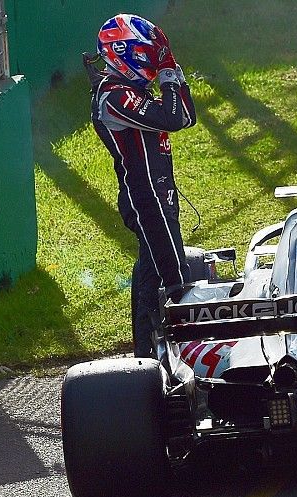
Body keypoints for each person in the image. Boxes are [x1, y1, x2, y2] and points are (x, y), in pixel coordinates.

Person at [86, 14, 197, 357]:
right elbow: (170, 119)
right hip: (144, 198)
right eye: (149, 54)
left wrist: (173, 75)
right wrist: (166, 76)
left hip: (160, 194)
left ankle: (147, 354)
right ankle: (171, 348)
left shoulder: (134, 92)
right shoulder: (114, 96)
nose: (154, 60)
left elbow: (185, 117)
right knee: (174, 275)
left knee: (152, 269)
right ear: (125, 53)